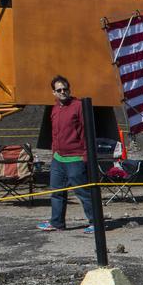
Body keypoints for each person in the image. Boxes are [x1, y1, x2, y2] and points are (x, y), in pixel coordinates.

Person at [37, 75, 96, 233]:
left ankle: (95, 222)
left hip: (75, 157)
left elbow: (86, 132)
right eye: (59, 90)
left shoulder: (78, 106)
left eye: (65, 89)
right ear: (54, 93)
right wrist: (54, 152)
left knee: (83, 192)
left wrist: (86, 156)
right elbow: (55, 133)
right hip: (58, 158)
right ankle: (57, 223)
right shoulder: (55, 108)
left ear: (69, 90)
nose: (63, 92)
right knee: (56, 192)